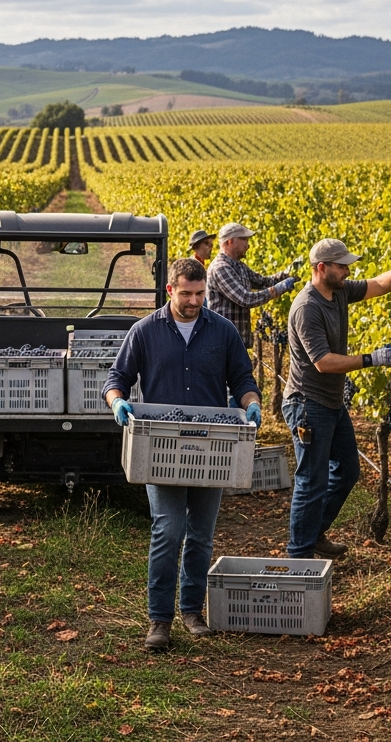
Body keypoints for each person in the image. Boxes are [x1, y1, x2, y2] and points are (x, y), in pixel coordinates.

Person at [104, 258, 261, 651]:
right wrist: (117, 403)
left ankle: (192, 610)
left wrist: (251, 401)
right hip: (162, 446)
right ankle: (160, 620)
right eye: (186, 293)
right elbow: (116, 379)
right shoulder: (144, 331)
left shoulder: (222, 331)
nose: (194, 301)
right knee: (168, 530)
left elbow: (242, 377)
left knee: (202, 535)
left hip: (212, 446)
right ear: (170, 290)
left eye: (200, 293)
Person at [283, 238, 391, 561]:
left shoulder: (339, 291)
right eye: (342, 265)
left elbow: (378, 285)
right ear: (322, 269)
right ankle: (299, 555)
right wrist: (370, 359)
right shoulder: (307, 307)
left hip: (331, 403)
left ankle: (314, 532)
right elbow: (323, 362)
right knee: (311, 480)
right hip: (307, 405)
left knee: (347, 471)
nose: (348, 270)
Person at [205, 222, 300, 347]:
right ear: (230, 242)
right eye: (244, 239)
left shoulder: (239, 266)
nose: (248, 245)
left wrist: (286, 274)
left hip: (236, 344)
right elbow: (245, 299)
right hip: (223, 345)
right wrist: (278, 289)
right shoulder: (221, 268)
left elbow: (263, 282)